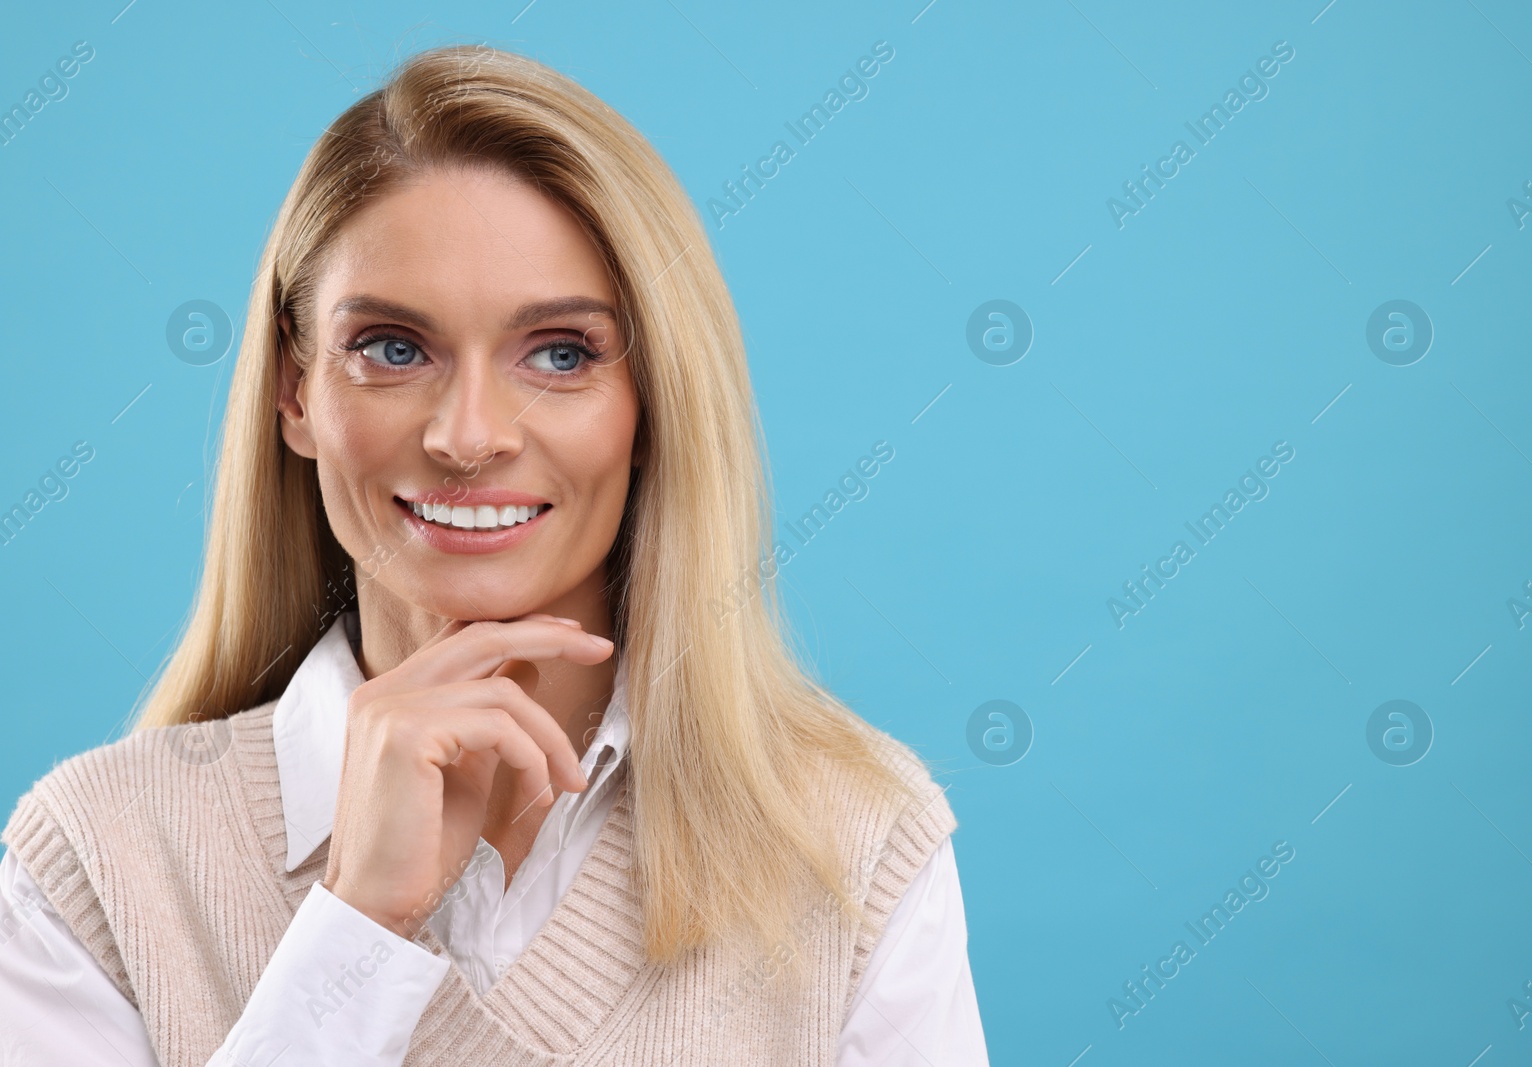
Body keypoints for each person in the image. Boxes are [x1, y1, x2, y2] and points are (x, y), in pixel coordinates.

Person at [0, 44, 988, 1065]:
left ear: (653, 403)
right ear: (295, 393)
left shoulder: (851, 842)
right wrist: (356, 929)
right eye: (392, 347)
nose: (468, 435)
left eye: (561, 353)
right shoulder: (97, 857)